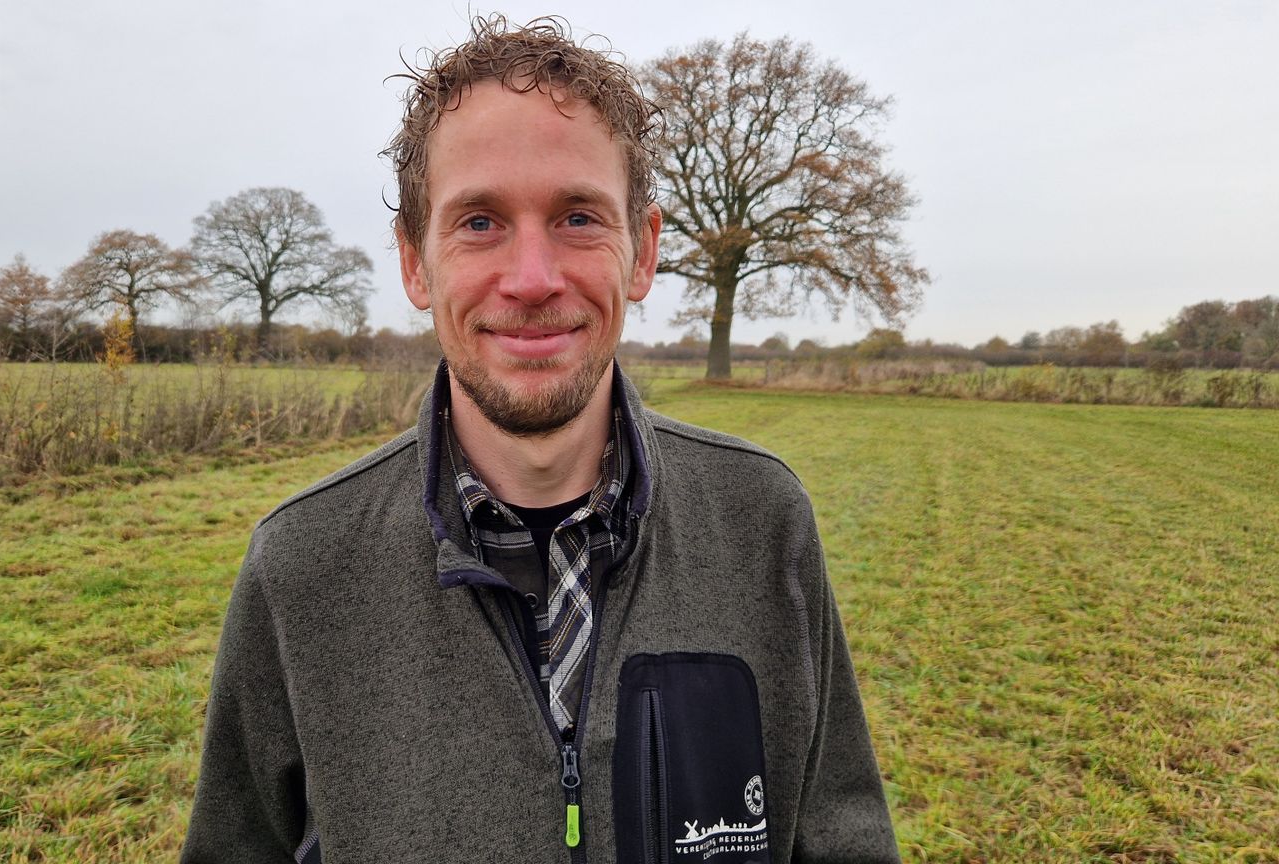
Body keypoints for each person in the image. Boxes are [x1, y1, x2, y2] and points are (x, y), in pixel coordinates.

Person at [181, 15, 898, 863]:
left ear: (643, 251)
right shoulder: (302, 565)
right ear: (416, 262)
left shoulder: (762, 522)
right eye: (479, 222)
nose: (531, 279)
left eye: (578, 218)